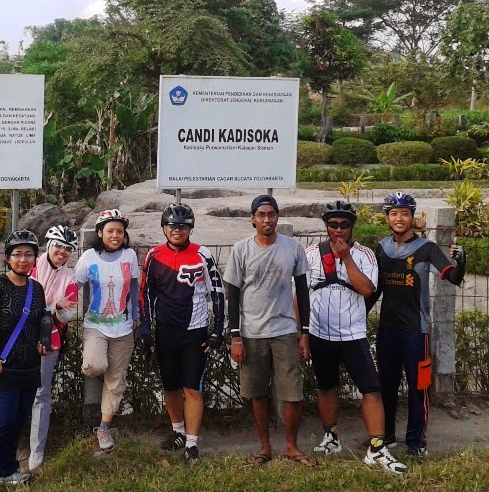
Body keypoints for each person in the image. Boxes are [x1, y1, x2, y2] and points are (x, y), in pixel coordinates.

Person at [302, 201, 407, 475]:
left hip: (352, 334)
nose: (338, 230)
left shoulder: (364, 255)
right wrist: (301, 333)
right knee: (326, 386)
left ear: (352, 227)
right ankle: (331, 436)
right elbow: (298, 296)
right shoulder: (311, 254)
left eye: (344, 225)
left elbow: (366, 289)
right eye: (333, 224)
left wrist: (346, 258)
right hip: (319, 333)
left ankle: (377, 447)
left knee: (371, 389)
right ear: (326, 226)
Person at [368, 192, 466, 458]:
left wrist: (462, 261)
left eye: (405, 213)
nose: (399, 218)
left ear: (413, 217)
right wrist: (358, 315)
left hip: (416, 331)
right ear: (387, 217)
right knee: (385, 386)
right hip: (388, 329)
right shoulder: (381, 248)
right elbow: (375, 290)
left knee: (418, 387)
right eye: (394, 213)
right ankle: (386, 436)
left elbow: (452, 277)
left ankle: (416, 442)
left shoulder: (427, 248)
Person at [224, 194, 316, 467]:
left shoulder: (293, 248)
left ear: (277, 217)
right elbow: (233, 296)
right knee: (256, 392)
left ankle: (291, 445)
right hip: (251, 333)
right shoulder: (241, 250)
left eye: (271, 214)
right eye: (261, 215)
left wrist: (305, 333)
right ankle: (264, 447)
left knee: (292, 392)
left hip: (285, 330)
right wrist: (235, 336)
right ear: (252, 219)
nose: (267, 219)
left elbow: (302, 291)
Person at [140, 203, 226, 464]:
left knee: (192, 388)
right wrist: (146, 331)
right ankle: (177, 431)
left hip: (195, 332)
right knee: (170, 387)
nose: (177, 230)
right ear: (164, 228)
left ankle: (191, 444)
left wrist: (217, 331)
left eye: (183, 226)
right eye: (172, 226)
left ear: (191, 228)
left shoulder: (203, 254)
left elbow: (218, 293)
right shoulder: (153, 255)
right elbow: (145, 295)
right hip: (165, 332)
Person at [0, 230, 48, 492]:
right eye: (17, 254)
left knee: (16, 423)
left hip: (28, 369)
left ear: (35, 259)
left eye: (28, 254)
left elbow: (40, 322)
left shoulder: (37, 290)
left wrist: (42, 340)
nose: (23, 259)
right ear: (7, 259)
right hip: (1, 370)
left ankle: (7, 470)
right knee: (0, 424)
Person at [74, 208, 140, 453]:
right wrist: (61, 304)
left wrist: (135, 318)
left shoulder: (130, 255)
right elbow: (76, 284)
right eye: (110, 231)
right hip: (96, 326)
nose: (115, 235)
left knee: (116, 381)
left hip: (123, 327)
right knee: (94, 366)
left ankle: (103, 427)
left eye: (120, 231)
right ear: (100, 233)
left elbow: (133, 288)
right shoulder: (89, 257)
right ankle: (106, 377)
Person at [28, 224, 80, 471]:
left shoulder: (69, 280)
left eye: (68, 248)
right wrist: (51, 306)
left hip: (49, 341)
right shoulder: (29, 267)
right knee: (15, 390)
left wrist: (57, 308)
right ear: (48, 245)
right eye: (58, 245)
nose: (62, 251)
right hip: (19, 339)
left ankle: (36, 449)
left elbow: (67, 316)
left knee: (41, 393)